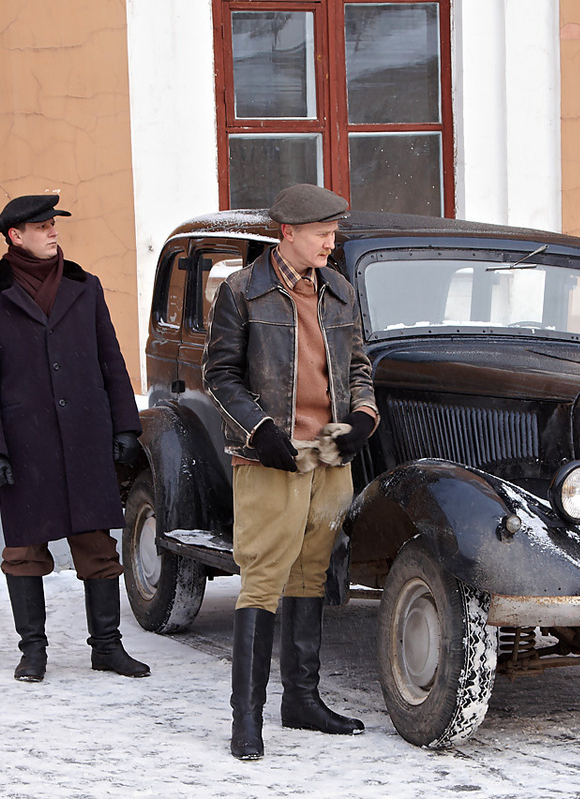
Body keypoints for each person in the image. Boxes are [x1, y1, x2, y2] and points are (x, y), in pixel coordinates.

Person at [203, 184, 378, 760]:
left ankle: (301, 701)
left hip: (328, 455)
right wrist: (260, 430)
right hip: (270, 455)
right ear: (288, 233)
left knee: (311, 575)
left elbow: (358, 366)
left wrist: (362, 417)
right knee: (262, 579)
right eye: (322, 233)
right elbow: (219, 375)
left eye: (334, 232)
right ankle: (246, 721)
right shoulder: (241, 291)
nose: (331, 242)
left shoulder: (339, 290)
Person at [0, 194, 149, 683]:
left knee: (98, 547)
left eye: (53, 224)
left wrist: (126, 425)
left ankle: (107, 647)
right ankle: (33, 651)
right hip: (26, 446)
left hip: (86, 436)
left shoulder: (84, 287)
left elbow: (111, 360)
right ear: (15, 235)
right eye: (42, 226)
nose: (53, 232)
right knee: (24, 551)